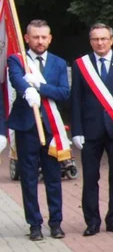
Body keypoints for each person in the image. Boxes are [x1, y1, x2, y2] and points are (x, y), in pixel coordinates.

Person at [70, 23, 113, 236]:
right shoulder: (81, 64)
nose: (99, 43)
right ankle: (92, 222)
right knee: (90, 178)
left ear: (111, 40)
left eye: (103, 38)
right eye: (95, 39)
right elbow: (76, 100)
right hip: (90, 132)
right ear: (90, 41)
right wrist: (77, 131)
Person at [6, 19, 70, 240]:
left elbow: (63, 93)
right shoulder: (17, 60)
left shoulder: (59, 63)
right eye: (35, 37)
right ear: (27, 38)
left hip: (51, 128)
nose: (40, 41)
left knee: (53, 177)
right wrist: (27, 89)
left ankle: (56, 223)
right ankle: (34, 224)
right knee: (29, 177)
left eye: (44, 37)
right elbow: (16, 80)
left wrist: (40, 87)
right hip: (26, 126)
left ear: (50, 39)